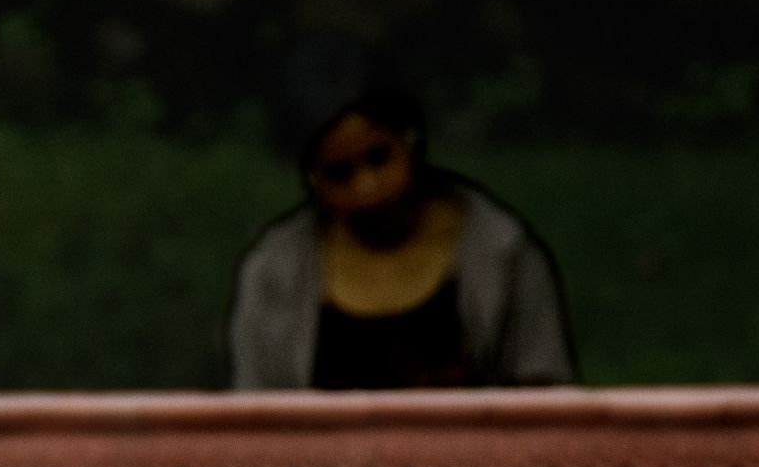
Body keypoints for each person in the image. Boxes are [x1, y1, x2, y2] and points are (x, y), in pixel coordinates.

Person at [229, 88, 576, 389]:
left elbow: (545, 394)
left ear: (410, 142)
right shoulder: (273, 272)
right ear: (312, 179)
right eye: (339, 173)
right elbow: (256, 411)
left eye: (379, 157)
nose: (366, 186)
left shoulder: (500, 251)